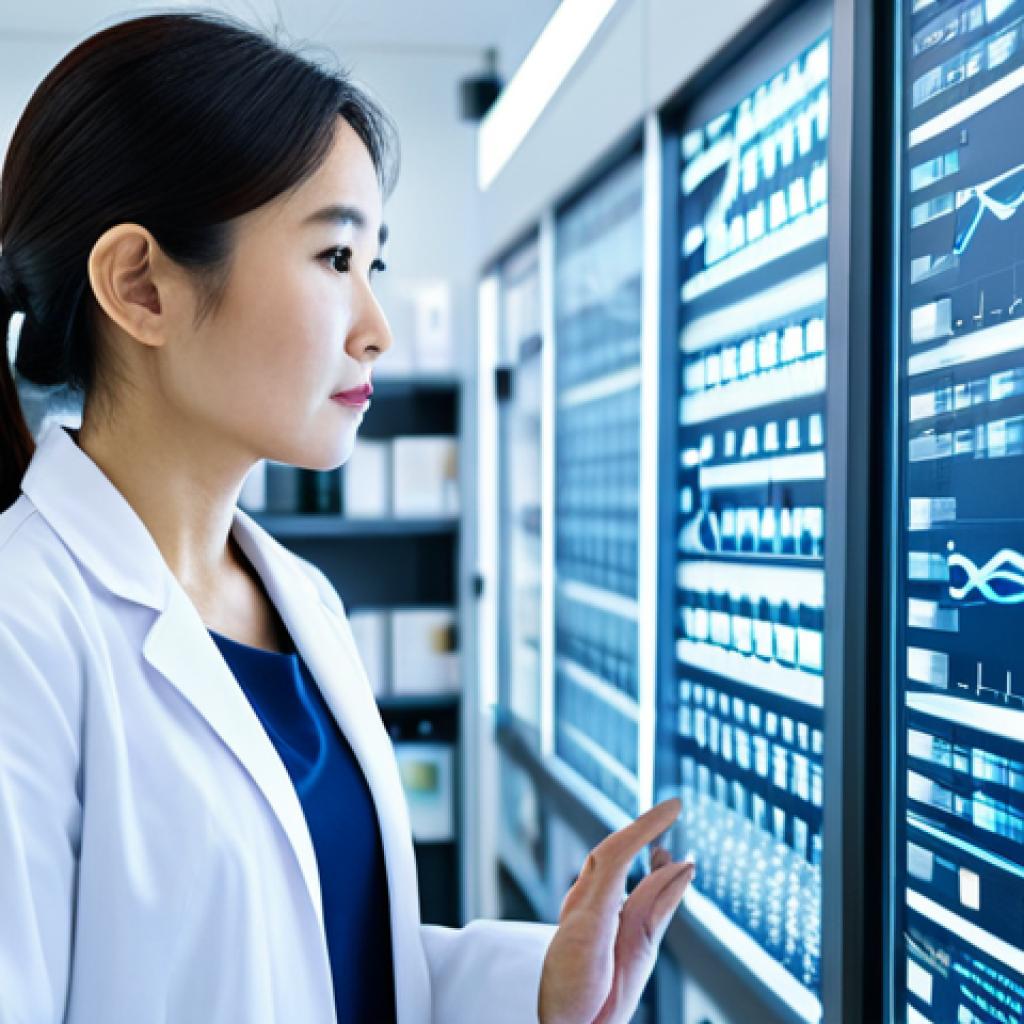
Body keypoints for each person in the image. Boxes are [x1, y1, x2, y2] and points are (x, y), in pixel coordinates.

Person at [0, 14, 695, 1024]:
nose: (377, 330)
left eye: (375, 266)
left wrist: (539, 988)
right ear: (141, 286)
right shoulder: (23, 632)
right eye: (335, 258)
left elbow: (332, 958)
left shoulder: (303, 602)